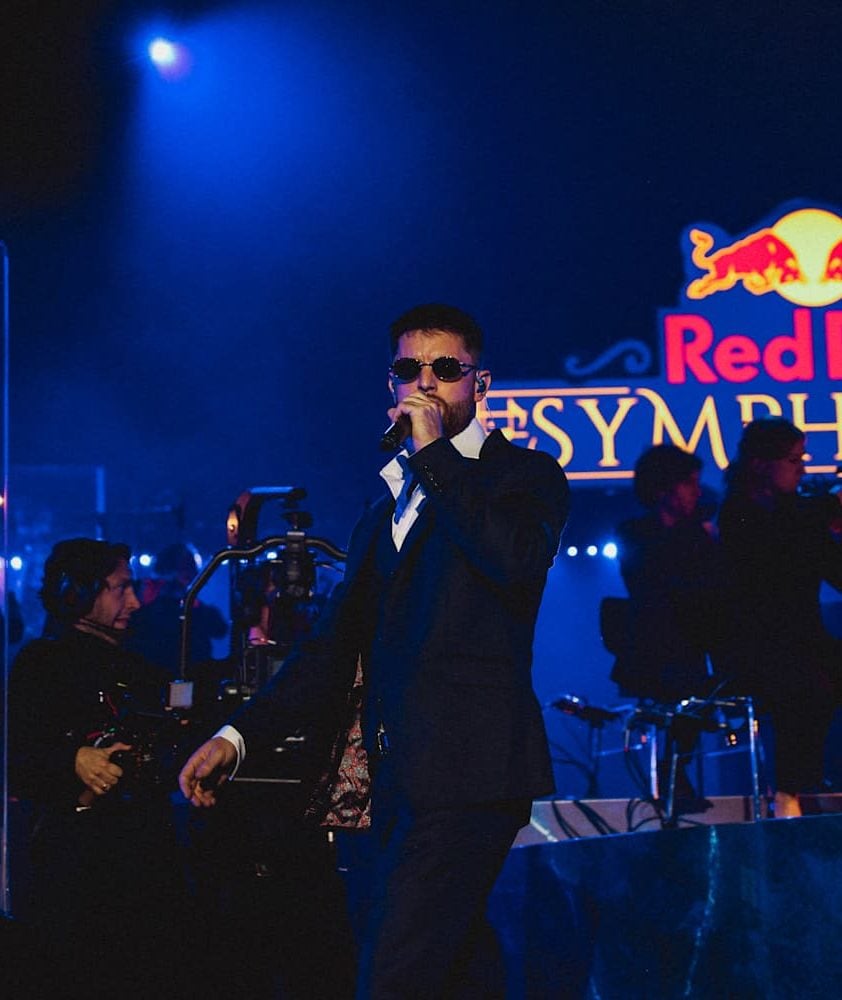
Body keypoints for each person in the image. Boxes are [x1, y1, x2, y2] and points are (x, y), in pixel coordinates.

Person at [179, 303, 570, 998]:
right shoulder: (385, 509)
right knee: (449, 967)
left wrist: (434, 455)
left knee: (395, 971)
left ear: (480, 383)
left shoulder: (524, 475)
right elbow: (331, 646)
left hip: (474, 776)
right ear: (389, 383)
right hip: (395, 781)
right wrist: (238, 737)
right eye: (408, 369)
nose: (425, 384)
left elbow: (513, 559)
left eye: (445, 368)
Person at [8, 538, 188, 992]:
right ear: (79, 591)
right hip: (76, 878)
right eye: (121, 588)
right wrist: (73, 759)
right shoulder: (40, 664)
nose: (134, 602)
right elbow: (18, 756)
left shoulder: (139, 664)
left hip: (143, 868)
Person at [718, 417, 842, 818]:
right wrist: (828, 509)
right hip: (756, 647)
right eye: (793, 460)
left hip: (803, 643)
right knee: (806, 681)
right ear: (760, 464)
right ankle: (791, 789)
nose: (802, 469)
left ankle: (805, 783)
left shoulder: (798, 516)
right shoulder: (737, 514)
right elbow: (776, 558)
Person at [610, 444, 723, 803]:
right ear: (664, 489)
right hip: (654, 642)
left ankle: (677, 770)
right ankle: (672, 774)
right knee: (686, 690)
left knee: (701, 696)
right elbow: (653, 582)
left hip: (692, 639)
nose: (696, 492)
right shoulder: (635, 533)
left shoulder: (697, 534)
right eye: (689, 484)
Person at [126, 541, 227, 676]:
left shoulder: (195, 605)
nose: (192, 575)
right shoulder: (146, 600)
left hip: (193, 673)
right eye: (185, 569)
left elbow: (220, 629)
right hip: (155, 673)